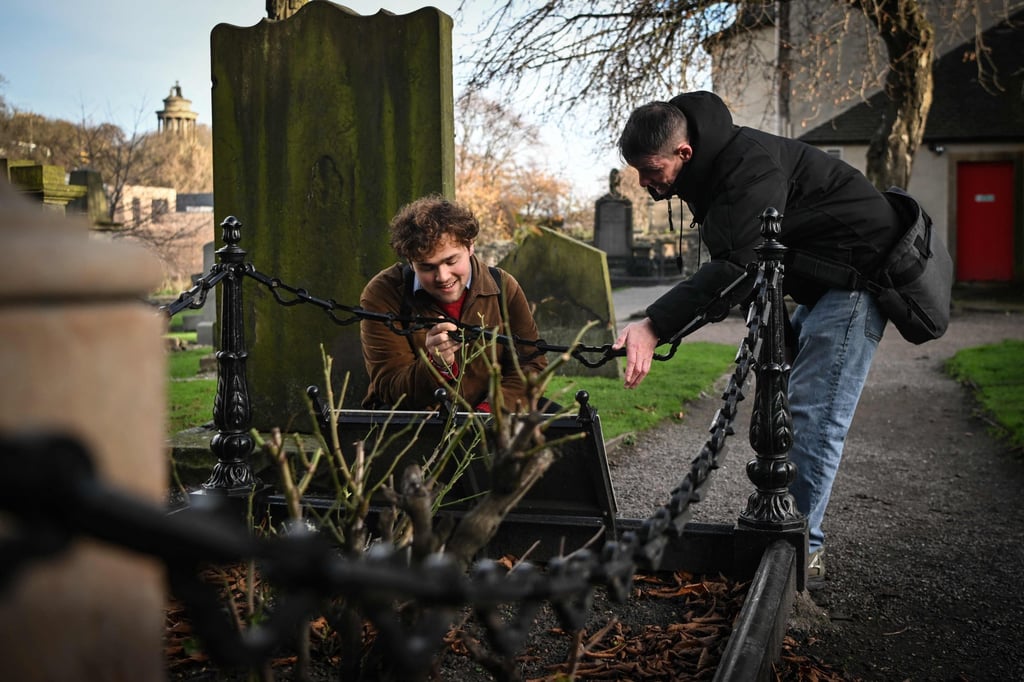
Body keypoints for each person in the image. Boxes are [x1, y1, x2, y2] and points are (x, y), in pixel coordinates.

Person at [612, 91, 908, 589]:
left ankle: (799, 552)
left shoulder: (747, 166)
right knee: (789, 403)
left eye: (649, 169)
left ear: (683, 153)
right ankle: (787, 536)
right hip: (816, 282)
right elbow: (742, 261)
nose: (644, 182)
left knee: (815, 414)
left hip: (858, 277)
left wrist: (653, 323)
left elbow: (738, 267)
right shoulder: (711, 169)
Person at [360, 195, 548, 413]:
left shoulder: (503, 287)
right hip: (414, 423)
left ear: (470, 247)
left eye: (451, 261)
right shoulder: (384, 293)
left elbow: (531, 365)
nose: (442, 277)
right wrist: (435, 366)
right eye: (427, 267)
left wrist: (489, 413)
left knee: (575, 433)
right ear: (410, 262)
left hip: (492, 414)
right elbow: (390, 389)